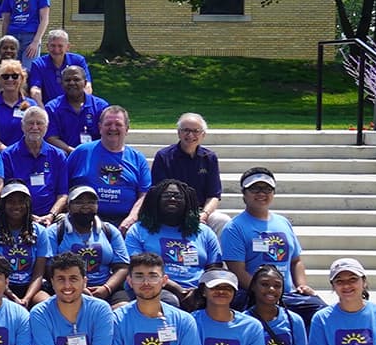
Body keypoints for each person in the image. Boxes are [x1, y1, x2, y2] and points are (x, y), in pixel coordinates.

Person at [221, 166, 322, 319]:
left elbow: (296, 261)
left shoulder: (283, 222)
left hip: (286, 295)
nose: (261, 193)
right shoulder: (234, 228)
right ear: (244, 194)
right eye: (254, 189)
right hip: (254, 296)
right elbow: (238, 271)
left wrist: (301, 285)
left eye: (267, 189)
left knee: (321, 311)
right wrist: (267, 293)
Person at [124, 179, 223, 308]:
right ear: (155, 200)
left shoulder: (204, 232)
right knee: (170, 301)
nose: (172, 198)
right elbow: (136, 267)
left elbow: (214, 268)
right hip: (154, 287)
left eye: (178, 196)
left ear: (187, 201)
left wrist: (200, 291)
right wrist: (177, 289)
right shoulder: (138, 230)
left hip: (198, 290)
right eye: (166, 195)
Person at [153, 114, 231, 232]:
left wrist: (204, 214)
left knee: (222, 221)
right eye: (186, 130)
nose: (190, 135)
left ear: (203, 135)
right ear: (179, 133)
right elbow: (159, 192)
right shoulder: (164, 157)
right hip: (171, 210)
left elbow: (214, 195)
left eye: (196, 131)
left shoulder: (209, 158)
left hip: (200, 212)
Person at [0, 182, 51, 305]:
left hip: (31, 287)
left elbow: (39, 273)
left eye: (21, 201)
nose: (17, 206)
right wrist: (12, 297)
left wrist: (26, 298)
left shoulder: (40, 231)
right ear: (3, 204)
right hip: (1, 287)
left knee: (45, 303)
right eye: (11, 201)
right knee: (2, 304)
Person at [3, 106, 69, 227]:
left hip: (52, 217)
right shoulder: (8, 155)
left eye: (39, 123)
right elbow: (6, 194)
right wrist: (30, 217)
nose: (34, 127)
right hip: (17, 216)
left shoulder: (58, 155)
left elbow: (63, 194)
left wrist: (51, 215)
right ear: (22, 126)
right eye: (30, 123)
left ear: (46, 127)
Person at [28, 29, 94, 104]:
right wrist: (42, 110)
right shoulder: (38, 64)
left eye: (60, 46)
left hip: (75, 107)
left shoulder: (78, 61)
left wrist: (82, 105)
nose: (56, 50)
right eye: (53, 45)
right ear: (47, 46)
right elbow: (35, 89)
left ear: (68, 47)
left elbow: (87, 86)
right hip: (50, 109)